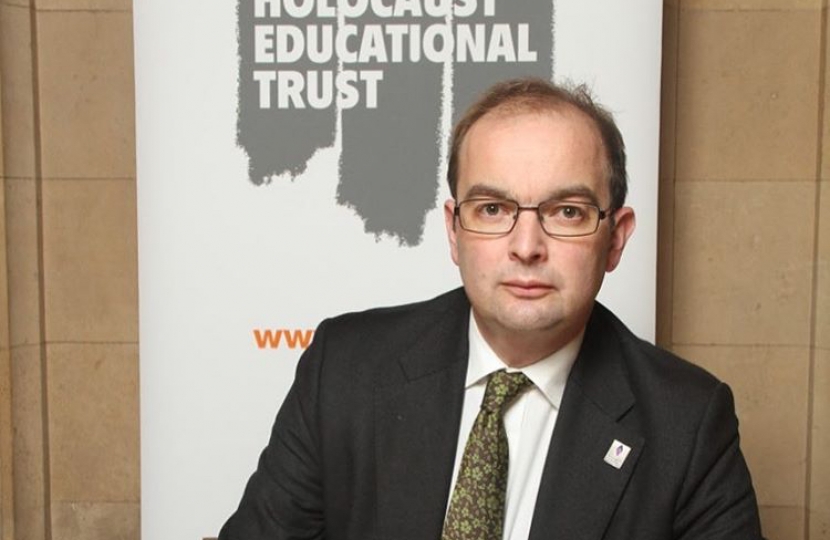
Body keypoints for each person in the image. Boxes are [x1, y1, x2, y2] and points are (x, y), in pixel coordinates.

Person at [219, 78, 763, 540]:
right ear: (454, 232)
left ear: (615, 239)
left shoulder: (688, 425)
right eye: (493, 208)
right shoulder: (344, 370)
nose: (526, 246)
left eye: (567, 211)